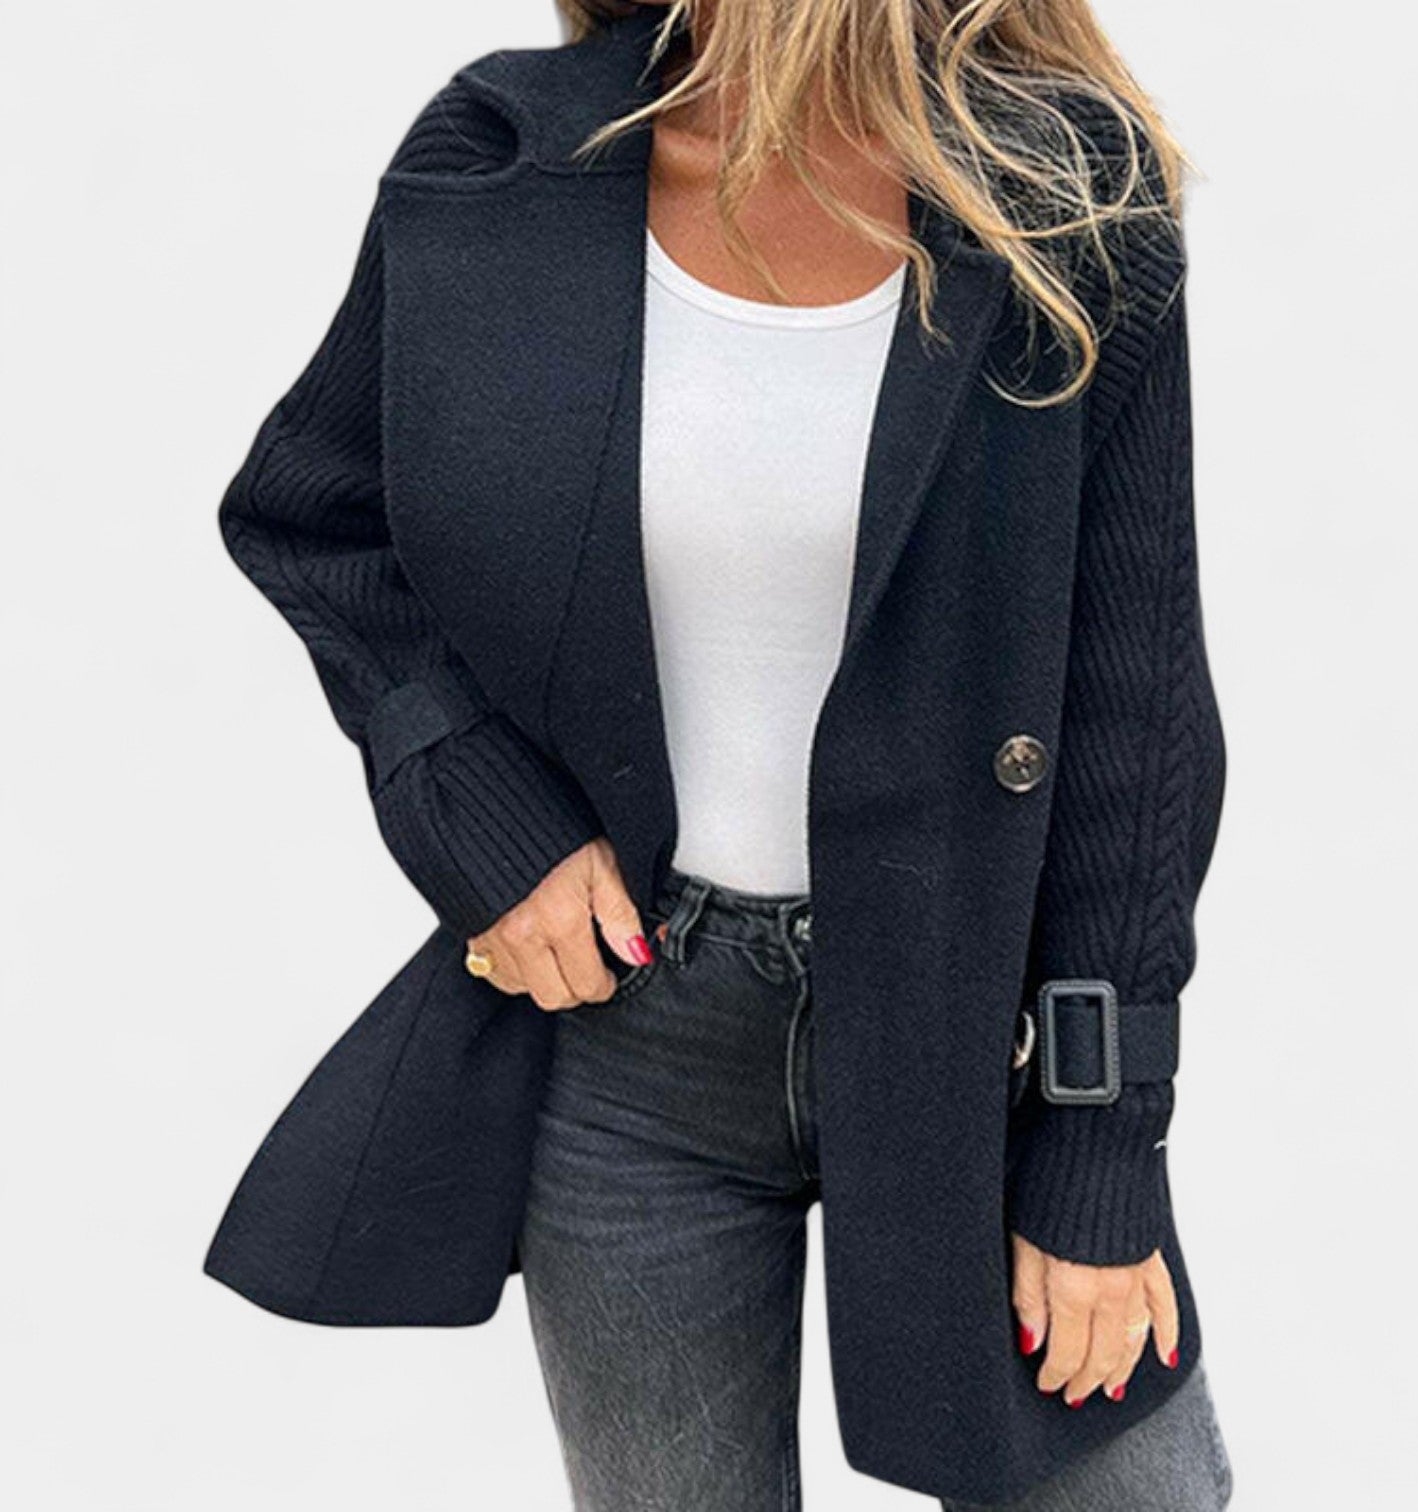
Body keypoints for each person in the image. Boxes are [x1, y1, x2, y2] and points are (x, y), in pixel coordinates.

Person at [205, 4, 1234, 1508]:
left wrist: (1103, 1136)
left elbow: (1135, 705)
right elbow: (310, 512)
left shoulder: (1066, 195)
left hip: (976, 1036)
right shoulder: (506, 156)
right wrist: (480, 816)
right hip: (634, 1042)